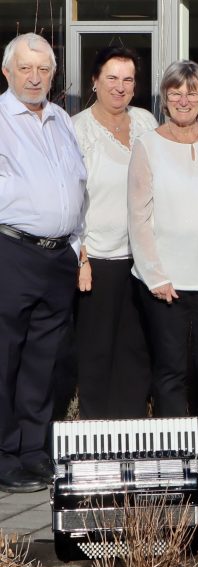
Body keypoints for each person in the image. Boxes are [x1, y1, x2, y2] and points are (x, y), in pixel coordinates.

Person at [128, 61, 198, 478]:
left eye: (192, 92)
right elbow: (138, 216)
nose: (184, 100)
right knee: (171, 370)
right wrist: (155, 274)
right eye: (175, 92)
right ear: (164, 97)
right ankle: (176, 457)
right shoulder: (147, 144)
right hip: (165, 281)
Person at [0, 34, 86, 493]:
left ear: (54, 74)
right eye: (25, 68)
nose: (35, 78)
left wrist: (76, 247)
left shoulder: (60, 121)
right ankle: (4, 454)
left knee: (42, 361)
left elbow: (76, 188)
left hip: (57, 258)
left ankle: (32, 452)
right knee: (5, 358)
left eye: (44, 70)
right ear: (7, 72)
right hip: (11, 252)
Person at [71, 46, 158, 420]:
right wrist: (82, 257)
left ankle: (131, 437)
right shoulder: (76, 130)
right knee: (96, 353)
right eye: (111, 78)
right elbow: (70, 202)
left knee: (135, 353)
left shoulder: (145, 122)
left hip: (141, 260)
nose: (120, 87)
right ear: (94, 81)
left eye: (128, 79)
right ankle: (95, 437)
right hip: (98, 261)